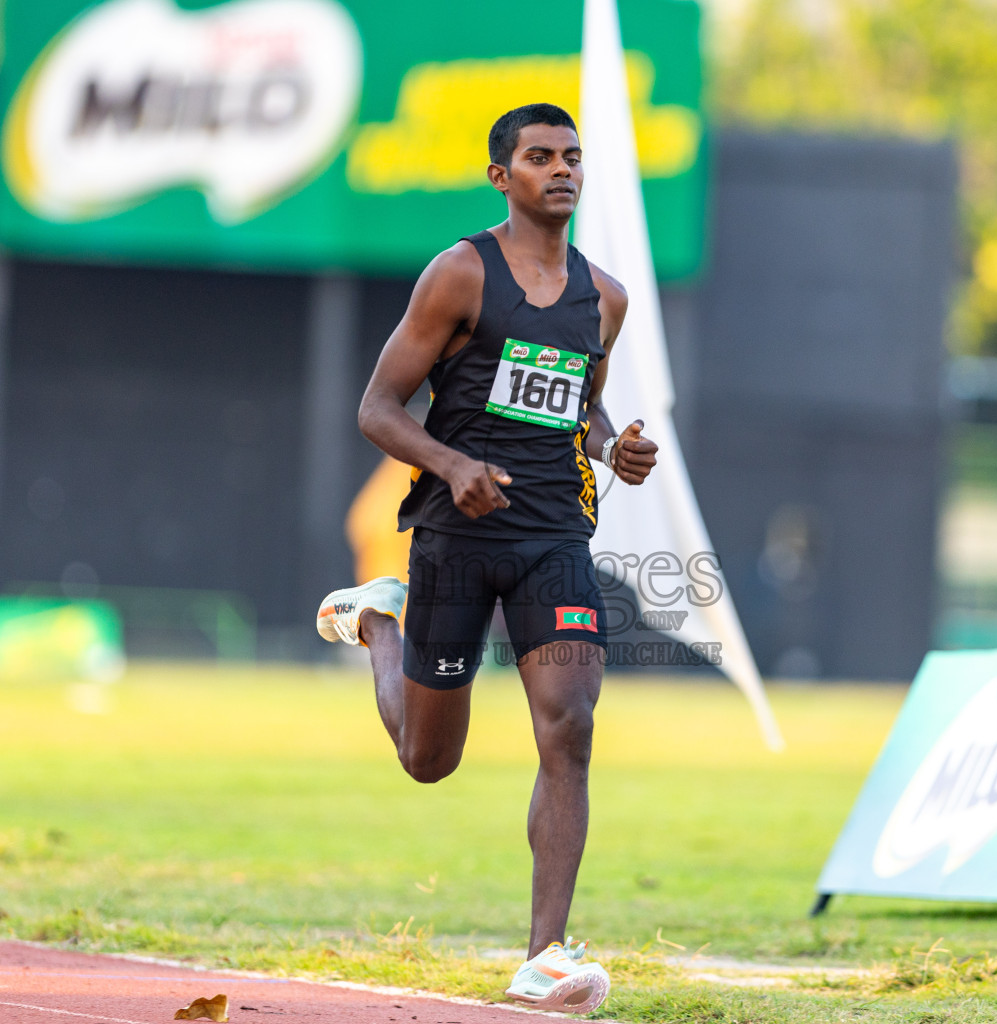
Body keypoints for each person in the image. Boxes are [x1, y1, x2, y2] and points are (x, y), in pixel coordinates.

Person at [316, 103, 658, 1014]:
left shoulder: (605, 298)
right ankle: (382, 624)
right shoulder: (460, 274)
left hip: (554, 538)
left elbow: (577, 409)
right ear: (502, 176)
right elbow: (378, 407)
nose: (561, 171)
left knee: (570, 727)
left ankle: (544, 954)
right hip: (456, 537)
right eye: (539, 157)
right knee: (430, 761)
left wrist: (609, 448)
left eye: (572, 157)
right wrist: (453, 463)